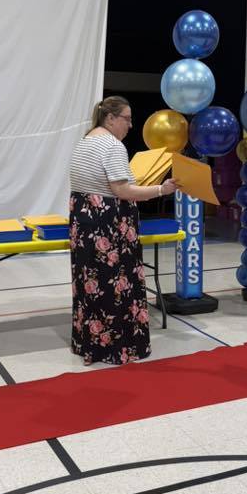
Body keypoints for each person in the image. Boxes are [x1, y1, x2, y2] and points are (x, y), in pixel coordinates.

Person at [69, 95, 179, 365]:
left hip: (84, 222)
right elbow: (122, 190)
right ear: (110, 118)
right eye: (127, 119)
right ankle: (117, 347)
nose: (130, 125)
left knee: (89, 284)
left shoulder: (85, 141)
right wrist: (161, 189)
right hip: (109, 226)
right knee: (115, 285)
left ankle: (88, 345)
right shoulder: (112, 145)